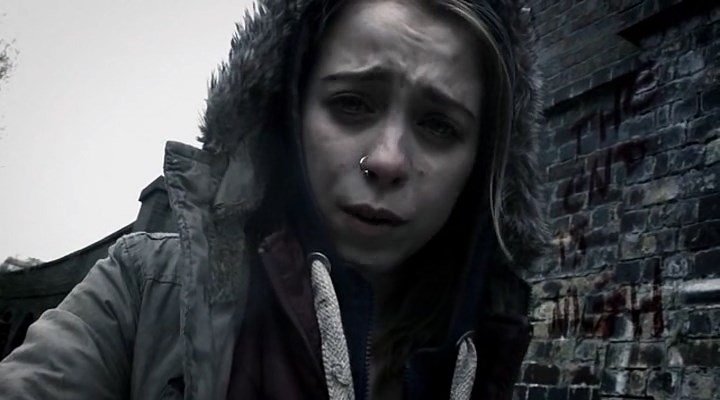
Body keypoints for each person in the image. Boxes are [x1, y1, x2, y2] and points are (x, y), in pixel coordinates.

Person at [0, 0, 548, 399]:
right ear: (289, 115)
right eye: (352, 103)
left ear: (482, 164)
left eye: (439, 125)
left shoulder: (488, 348)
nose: (386, 160)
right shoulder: (143, 293)